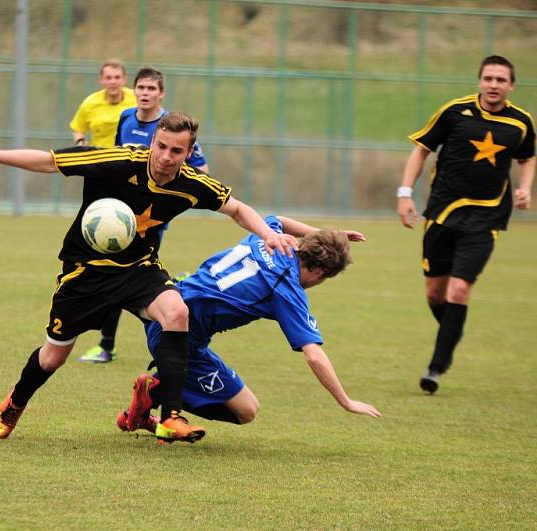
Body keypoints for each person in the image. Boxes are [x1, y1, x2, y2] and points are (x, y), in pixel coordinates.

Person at [0, 112, 299, 444]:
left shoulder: (191, 184)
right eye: (160, 146)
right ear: (153, 142)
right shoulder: (118, 161)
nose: (165, 156)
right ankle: (15, 402)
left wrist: (267, 235)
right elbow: (49, 161)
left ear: (189, 153)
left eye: (176, 150)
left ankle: (171, 417)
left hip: (138, 270)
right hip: (85, 274)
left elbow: (236, 208)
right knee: (52, 357)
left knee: (177, 313)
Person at [116, 215, 381, 438]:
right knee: (246, 411)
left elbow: (276, 219)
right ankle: (156, 392)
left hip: (166, 305)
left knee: (240, 401)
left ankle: (151, 403)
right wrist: (345, 401)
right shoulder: (287, 289)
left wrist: (320, 236)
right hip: (178, 339)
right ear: (321, 273)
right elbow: (314, 355)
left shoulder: (267, 238)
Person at [397, 55, 535, 394]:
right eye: (488, 78)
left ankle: (436, 366)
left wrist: (525, 189)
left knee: (459, 289)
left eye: (501, 80)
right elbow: (421, 150)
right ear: (479, 81)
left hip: (486, 217)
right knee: (435, 293)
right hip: (443, 213)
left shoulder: (521, 122)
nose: (493, 85)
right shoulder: (454, 112)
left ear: (511, 86)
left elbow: (527, 157)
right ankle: (452, 332)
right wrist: (404, 193)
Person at [79, 66, 209, 364]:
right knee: (114, 275)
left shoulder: (171, 130)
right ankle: (109, 345)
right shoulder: (125, 117)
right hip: (117, 213)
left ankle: (122, 343)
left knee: (123, 278)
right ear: (133, 90)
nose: (145, 94)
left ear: (161, 94)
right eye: (141, 88)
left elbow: (202, 170)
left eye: (152, 89)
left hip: (148, 220)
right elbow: (115, 158)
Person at [69, 58, 136, 148]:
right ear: (101, 80)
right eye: (108, 78)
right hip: (100, 157)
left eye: (117, 77)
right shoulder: (90, 102)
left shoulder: (137, 99)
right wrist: (80, 143)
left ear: (124, 80)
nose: (113, 82)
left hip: (129, 157)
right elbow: (78, 129)